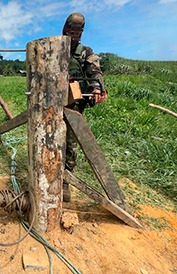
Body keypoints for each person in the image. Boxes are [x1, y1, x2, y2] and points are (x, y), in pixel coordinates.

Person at [62, 12, 108, 202]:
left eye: (78, 32)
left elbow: (95, 71)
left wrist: (97, 88)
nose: (74, 35)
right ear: (65, 29)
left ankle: (65, 179)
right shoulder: (55, 46)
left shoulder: (85, 52)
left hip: (75, 104)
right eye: (72, 30)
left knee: (71, 140)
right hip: (52, 103)